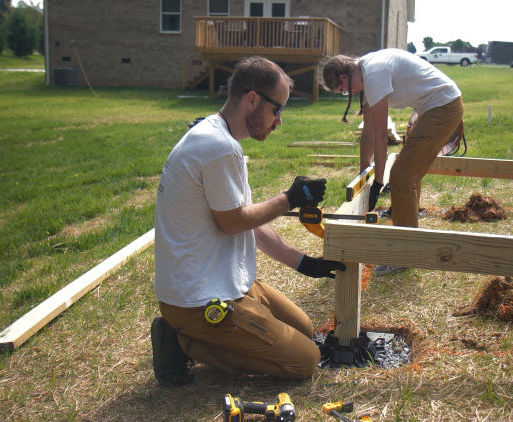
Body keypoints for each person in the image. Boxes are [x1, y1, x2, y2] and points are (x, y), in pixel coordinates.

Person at [151, 56, 345, 386]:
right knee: (305, 360)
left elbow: (249, 221)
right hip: (199, 299)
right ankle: (182, 340)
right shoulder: (218, 146)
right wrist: (289, 199)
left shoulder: (221, 139)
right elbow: (232, 222)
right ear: (252, 99)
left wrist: (304, 263)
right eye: (277, 109)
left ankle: (199, 332)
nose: (279, 120)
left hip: (226, 280)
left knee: (306, 331)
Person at [320, 48, 464, 274]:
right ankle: (408, 237)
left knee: (402, 176)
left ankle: (404, 254)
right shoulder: (367, 74)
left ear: (344, 78)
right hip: (434, 106)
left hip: (443, 107)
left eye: (342, 91)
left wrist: (379, 181)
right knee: (408, 174)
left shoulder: (374, 73)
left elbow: (379, 135)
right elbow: (367, 132)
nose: (347, 94)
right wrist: (363, 175)